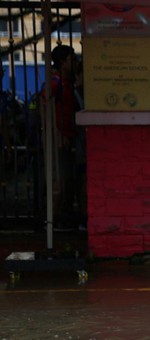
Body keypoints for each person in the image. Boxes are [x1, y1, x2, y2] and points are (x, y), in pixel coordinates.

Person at [44, 44, 81, 231]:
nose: (75, 62)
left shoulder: (70, 83)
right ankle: (53, 220)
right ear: (62, 62)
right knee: (59, 179)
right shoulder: (55, 83)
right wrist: (57, 134)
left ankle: (62, 218)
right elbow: (45, 110)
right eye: (71, 59)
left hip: (68, 137)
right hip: (58, 139)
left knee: (67, 180)